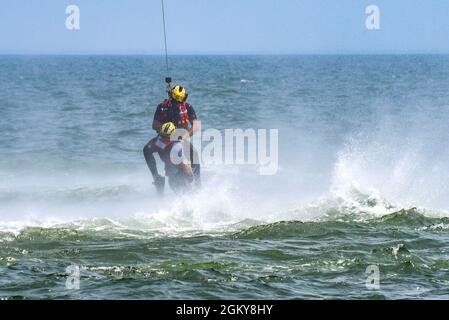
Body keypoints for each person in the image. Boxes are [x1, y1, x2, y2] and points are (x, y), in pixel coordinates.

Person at [143, 85, 200, 194]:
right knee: (147, 149)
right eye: (176, 101)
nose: (178, 104)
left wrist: (186, 135)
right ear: (172, 98)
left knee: (194, 155)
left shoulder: (187, 107)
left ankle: (198, 183)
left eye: (181, 101)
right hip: (164, 138)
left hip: (180, 139)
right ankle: (156, 178)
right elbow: (154, 125)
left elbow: (196, 125)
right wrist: (165, 129)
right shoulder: (162, 107)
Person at [151, 122, 194, 194]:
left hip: (171, 179)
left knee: (180, 197)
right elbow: (185, 163)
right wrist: (190, 176)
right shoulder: (177, 146)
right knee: (189, 195)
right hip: (181, 176)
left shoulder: (159, 143)